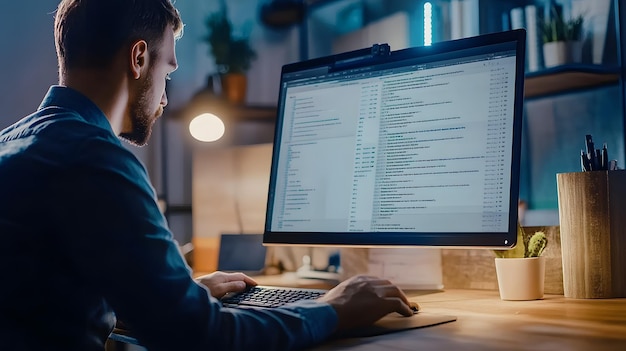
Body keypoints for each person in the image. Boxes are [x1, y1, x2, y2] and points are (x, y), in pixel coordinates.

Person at [0, 0, 414, 350]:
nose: (164, 97)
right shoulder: (95, 158)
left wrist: (183, 294)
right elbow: (199, 336)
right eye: (169, 71)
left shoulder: (14, 142)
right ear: (138, 58)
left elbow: (49, 292)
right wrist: (333, 309)